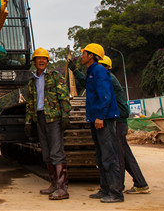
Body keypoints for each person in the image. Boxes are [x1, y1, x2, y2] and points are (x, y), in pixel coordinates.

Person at [24, 48, 71, 200]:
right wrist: (28, 121)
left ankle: (62, 188)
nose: (42, 61)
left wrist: (65, 115)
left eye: (44, 59)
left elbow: (64, 96)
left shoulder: (55, 76)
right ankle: (53, 184)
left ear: (47, 61)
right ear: (34, 62)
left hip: (54, 118)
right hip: (40, 117)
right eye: (39, 59)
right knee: (46, 152)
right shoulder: (32, 81)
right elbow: (30, 103)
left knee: (56, 152)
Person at [98, 56, 150, 195]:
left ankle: (117, 187)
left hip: (118, 122)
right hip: (119, 121)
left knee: (118, 156)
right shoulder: (107, 77)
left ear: (106, 67)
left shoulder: (107, 78)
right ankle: (141, 183)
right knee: (126, 155)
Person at [80, 43, 123, 203]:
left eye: (84, 53)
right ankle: (105, 189)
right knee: (100, 156)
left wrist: (100, 116)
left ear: (91, 55)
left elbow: (105, 95)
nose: (82, 56)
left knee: (109, 156)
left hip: (103, 118)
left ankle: (116, 193)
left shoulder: (98, 70)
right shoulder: (91, 71)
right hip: (96, 118)